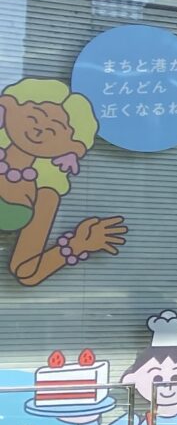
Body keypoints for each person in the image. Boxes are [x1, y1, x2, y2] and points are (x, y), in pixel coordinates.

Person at [0, 78, 126, 286]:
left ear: (71, 147)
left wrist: (77, 245)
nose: (40, 129)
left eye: (54, 129)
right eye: (34, 116)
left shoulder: (45, 194)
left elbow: (26, 271)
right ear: (10, 108)